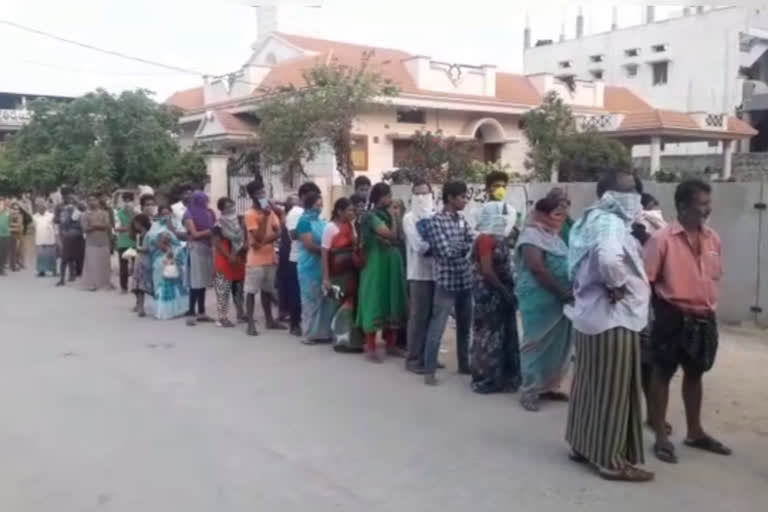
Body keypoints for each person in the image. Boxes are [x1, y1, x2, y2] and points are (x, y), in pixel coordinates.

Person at [564, 168, 653, 482]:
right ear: (609, 194)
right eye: (628, 190)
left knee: (590, 386)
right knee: (615, 391)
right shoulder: (611, 222)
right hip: (613, 319)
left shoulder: (591, 219)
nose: (634, 196)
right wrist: (618, 285)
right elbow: (609, 259)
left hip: (590, 317)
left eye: (635, 190)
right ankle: (611, 460)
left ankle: (582, 443)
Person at [644, 179, 730, 464]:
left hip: (704, 317)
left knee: (696, 373)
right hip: (672, 315)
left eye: (708, 203)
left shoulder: (713, 238)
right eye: (701, 204)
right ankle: (661, 437)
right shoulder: (661, 239)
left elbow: (714, 277)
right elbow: (647, 281)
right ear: (682, 206)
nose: (707, 209)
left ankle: (695, 433)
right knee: (662, 373)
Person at [516, 195, 573, 411]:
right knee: (536, 343)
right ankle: (529, 390)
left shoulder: (554, 236)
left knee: (559, 345)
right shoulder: (531, 235)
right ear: (542, 214)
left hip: (560, 299)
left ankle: (548, 386)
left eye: (563, 215)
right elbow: (537, 268)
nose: (560, 219)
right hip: (539, 299)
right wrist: (563, 293)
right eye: (556, 214)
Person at [469, 175, 521, 394]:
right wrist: (504, 292)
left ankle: (506, 377)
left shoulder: (500, 237)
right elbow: (488, 271)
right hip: (491, 292)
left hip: (503, 290)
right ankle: (487, 378)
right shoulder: (485, 239)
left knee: (506, 333)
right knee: (490, 334)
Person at [420, 181, 474, 385]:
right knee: (438, 327)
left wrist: (462, 247)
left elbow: (472, 243)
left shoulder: (461, 220)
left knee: (464, 326)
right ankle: (429, 371)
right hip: (446, 283)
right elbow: (445, 252)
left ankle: (464, 364)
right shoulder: (435, 221)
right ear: (450, 198)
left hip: (465, 280)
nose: (465, 200)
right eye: (462, 197)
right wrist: (464, 248)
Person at [356, 183, 408, 362]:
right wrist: (394, 218)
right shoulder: (371, 216)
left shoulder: (385, 214)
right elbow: (390, 235)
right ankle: (371, 347)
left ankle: (391, 345)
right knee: (375, 300)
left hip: (392, 263)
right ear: (380, 197)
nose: (390, 199)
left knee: (393, 300)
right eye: (388, 196)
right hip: (376, 265)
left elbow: (399, 237)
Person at [321, 197, 364, 353]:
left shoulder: (352, 227)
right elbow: (325, 253)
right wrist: (326, 278)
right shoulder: (330, 228)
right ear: (340, 212)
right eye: (350, 210)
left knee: (352, 306)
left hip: (352, 273)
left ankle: (353, 341)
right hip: (337, 274)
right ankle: (340, 340)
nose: (353, 212)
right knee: (339, 306)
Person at [243, 179, 285, 336]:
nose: (262, 195)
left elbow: (279, 231)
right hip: (255, 260)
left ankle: (269, 320)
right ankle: (250, 324)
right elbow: (258, 239)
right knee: (251, 291)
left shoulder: (270, 211)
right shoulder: (250, 214)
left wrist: (270, 235)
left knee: (267, 291)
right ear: (252, 196)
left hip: (269, 256)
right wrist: (266, 219)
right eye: (259, 193)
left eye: (263, 192)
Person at [402, 179, 435, 374]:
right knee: (418, 317)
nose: (422, 197)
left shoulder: (435, 215)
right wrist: (438, 245)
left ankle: (428, 356)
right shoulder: (409, 218)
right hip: (418, 274)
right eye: (418, 194)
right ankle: (413, 359)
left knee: (433, 318)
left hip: (437, 274)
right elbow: (419, 246)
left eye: (425, 193)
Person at [296, 190, 333, 344]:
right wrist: (326, 250)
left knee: (323, 299)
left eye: (321, 204)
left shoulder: (321, 221)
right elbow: (309, 244)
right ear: (310, 205)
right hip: (308, 266)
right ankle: (308, 333)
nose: (320, 207)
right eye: (318, 204)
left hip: (321, 265)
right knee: (310, 299)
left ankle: (321, 333)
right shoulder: (304, 221)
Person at [284, 183, 321, 336]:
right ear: (304, 196)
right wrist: (309, 235)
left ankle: (311, 324)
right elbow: (293, 234)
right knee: (298, 294)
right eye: (312, 195)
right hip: (298, 257)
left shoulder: (312, 213)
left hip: (312, 258)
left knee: (310, 294)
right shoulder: (296, 213)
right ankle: (295, 324)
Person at [147, 205, 189, 320]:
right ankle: (163, 311)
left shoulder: (177, 224)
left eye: (168, 213)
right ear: (159, 215)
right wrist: (166, 248)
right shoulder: (155, 227)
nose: (166, 216)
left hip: (176, 258)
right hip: (161, 259)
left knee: (176, 283)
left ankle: (177, 309)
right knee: (163, 284)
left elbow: (184, 237)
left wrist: (171, 229)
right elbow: (153, 241)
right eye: (163, 214)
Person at [183, 191, 216, 325]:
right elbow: (195, 234)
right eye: (204, 201)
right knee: (196, 281)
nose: (206, 203)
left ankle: (202, 312)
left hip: (206, 248)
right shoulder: (188, 214)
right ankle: (191, 312)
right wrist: (211, 231)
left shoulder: (208, 213)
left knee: (203, 282)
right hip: (196, 248)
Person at [213, 197, 246, 328]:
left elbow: (245, 236)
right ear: (221, 210)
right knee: (223, 288)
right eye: (227, 207)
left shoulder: (240, 220)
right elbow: (216, 243)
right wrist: (228, 256)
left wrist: (244, 248)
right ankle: (222, 317)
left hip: (238, 256)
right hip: (225, 257)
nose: (230, 209)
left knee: (239, 288)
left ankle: (241, 313)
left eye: (231, 205)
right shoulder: (218, 224)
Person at [80, 194, 113, 291]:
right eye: (90, 200)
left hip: (104, 242)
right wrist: (99, 226)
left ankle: (105, 283)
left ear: (98, 201)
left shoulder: (104, 213)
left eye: (94, 200)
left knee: (104, 264)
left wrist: (94, 226)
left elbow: (107, 225)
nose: (92, 202)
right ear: (87, 202)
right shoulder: (85, 214)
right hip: (91, 242)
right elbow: (85, 228)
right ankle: (92, 284)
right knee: (92, 264)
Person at [55, 188, 85, 286]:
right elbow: (57, 220)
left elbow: (84, 210)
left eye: (71, 196)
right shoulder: (60, 207)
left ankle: (73, 274)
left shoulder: (78, 206)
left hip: (75, 235)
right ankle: (64, 278)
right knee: (65, 256)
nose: (69, 198)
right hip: (66, 234)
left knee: (73, 256)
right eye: (67, 196)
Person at [129, 213, 153, 317]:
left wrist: (139, 249)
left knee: (141, 286)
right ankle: (139, 304)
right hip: (139, 260)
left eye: (136, 223)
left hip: (145, 261)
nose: (135, 226)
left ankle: (141, 307)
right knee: (137, 285)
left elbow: (150, 248)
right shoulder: (139, 235)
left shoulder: (148, 235)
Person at [115, 192, 137, 293]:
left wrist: (132, 215)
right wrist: (129, 228)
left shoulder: (137, 213)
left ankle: (136, 287)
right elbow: (117, 228)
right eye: (126, 200)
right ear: (123, 201)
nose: (128, 203)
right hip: (123, 243)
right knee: (123, 267)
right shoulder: (119, 213)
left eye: (130, 200)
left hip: (135, 243)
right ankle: (124, 287)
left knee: (136, 267)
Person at [33, 200, 57, 277]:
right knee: (41, 256)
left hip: (50, 239)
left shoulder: (51, 215)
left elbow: (54, 226)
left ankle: (53, 270)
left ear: (45, 207)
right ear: (37, 208)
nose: (41, 208)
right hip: (40, 239)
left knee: (51, 256)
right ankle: (41, 271)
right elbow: (34, 227)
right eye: (39, 207)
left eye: (42, 206)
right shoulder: (34, 216)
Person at [9, 202, 24, 271]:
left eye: (18, 209)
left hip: (19, 235)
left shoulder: (20, 215)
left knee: (18, 250)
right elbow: (9, 226)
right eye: (15, 209)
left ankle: (18, 263)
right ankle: (13, 266)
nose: (16, 210)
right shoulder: (10, 216)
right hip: (13, 235)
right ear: (11, 209)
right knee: (14, 251)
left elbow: (21, 225)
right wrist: (16, 227)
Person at [0, 199, 10, 275]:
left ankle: (2, 268)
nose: (1, 206)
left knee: (4, 253)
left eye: (2, 204)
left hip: (6, 235)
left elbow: (10, 222)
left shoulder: (7, 213)